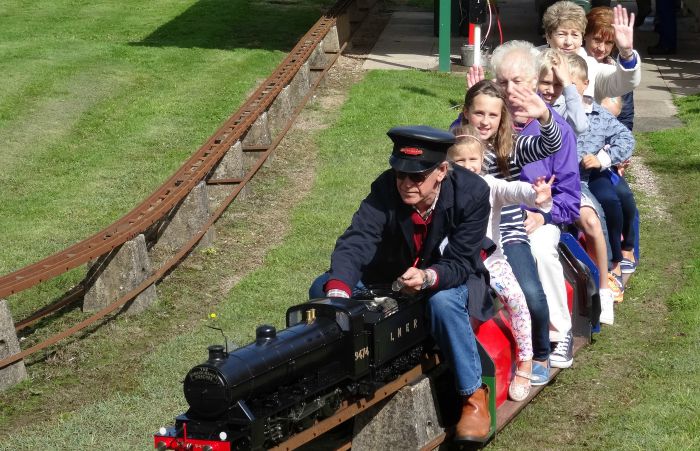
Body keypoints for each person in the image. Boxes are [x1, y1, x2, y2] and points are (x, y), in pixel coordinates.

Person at [309, 126, 492, 441]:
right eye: (400, 175)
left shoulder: (472, 193)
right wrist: (338, 292)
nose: (406, 184)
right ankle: (340, 380)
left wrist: (427, 277)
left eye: (417, 177)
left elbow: (462, 261)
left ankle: (473, 396)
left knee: (443, 302)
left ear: (442, 171)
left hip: (448, 276)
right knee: (322, 288)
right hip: (390, 274)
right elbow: (358, 237)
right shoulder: (385, 188)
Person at [452, 77, 563, 385]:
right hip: (465, 239)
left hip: (506, 232)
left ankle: (539, 353)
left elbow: (550, 145)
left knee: (530, 293)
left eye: (493, 115)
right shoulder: (455, 145)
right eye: (479, 113)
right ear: (466, 113)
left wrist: (543, 115)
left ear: (503, 118)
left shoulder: (508, 147)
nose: (485, 121)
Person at [488, 40, 582, 369]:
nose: (510, 90)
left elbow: (570, 200)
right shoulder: (484, 122)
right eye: (501, 82)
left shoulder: (557, 130)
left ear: (533, 82)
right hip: (488, 221)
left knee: (541, 250)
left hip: (539, 220)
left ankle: (560, 330)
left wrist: (544, 216)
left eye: (517, 81)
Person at [536, 50, 616, 324]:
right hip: (535, 184)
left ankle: (604, 288)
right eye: (545, 83)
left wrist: (568, 86)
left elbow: (581, 125)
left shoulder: (565, 105)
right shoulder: (527, 105)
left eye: (556, 84)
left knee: (591, 222)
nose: (550, 90)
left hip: (565, 184)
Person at [568, 57, 636, 304]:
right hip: (560, 181)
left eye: (570, 83)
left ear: (585, 85)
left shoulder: (597, 114)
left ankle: (611, 264)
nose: (563, 89)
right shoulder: (549, 113)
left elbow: (626, 140)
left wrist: (603, 157)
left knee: (609, 204)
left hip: (589, 176)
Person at [584, 5, 640, 276]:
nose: (602, 48)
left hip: (607, 151)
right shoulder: (581, 68)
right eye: (597, 39)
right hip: (585, 152)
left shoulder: (616, 72)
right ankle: (614, 256)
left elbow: (625, 119)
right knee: (611, 198)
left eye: (608, 43)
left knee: (625, 197)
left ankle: (628, 247)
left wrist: (616, 156)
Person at [541, 1, 641, 104]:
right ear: (548, 36)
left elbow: (623, 83)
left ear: (582, 37)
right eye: (561, 34)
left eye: (575, 35)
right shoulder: (531, 58)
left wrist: (626, 53)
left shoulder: (591, 66)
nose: (568, 42)